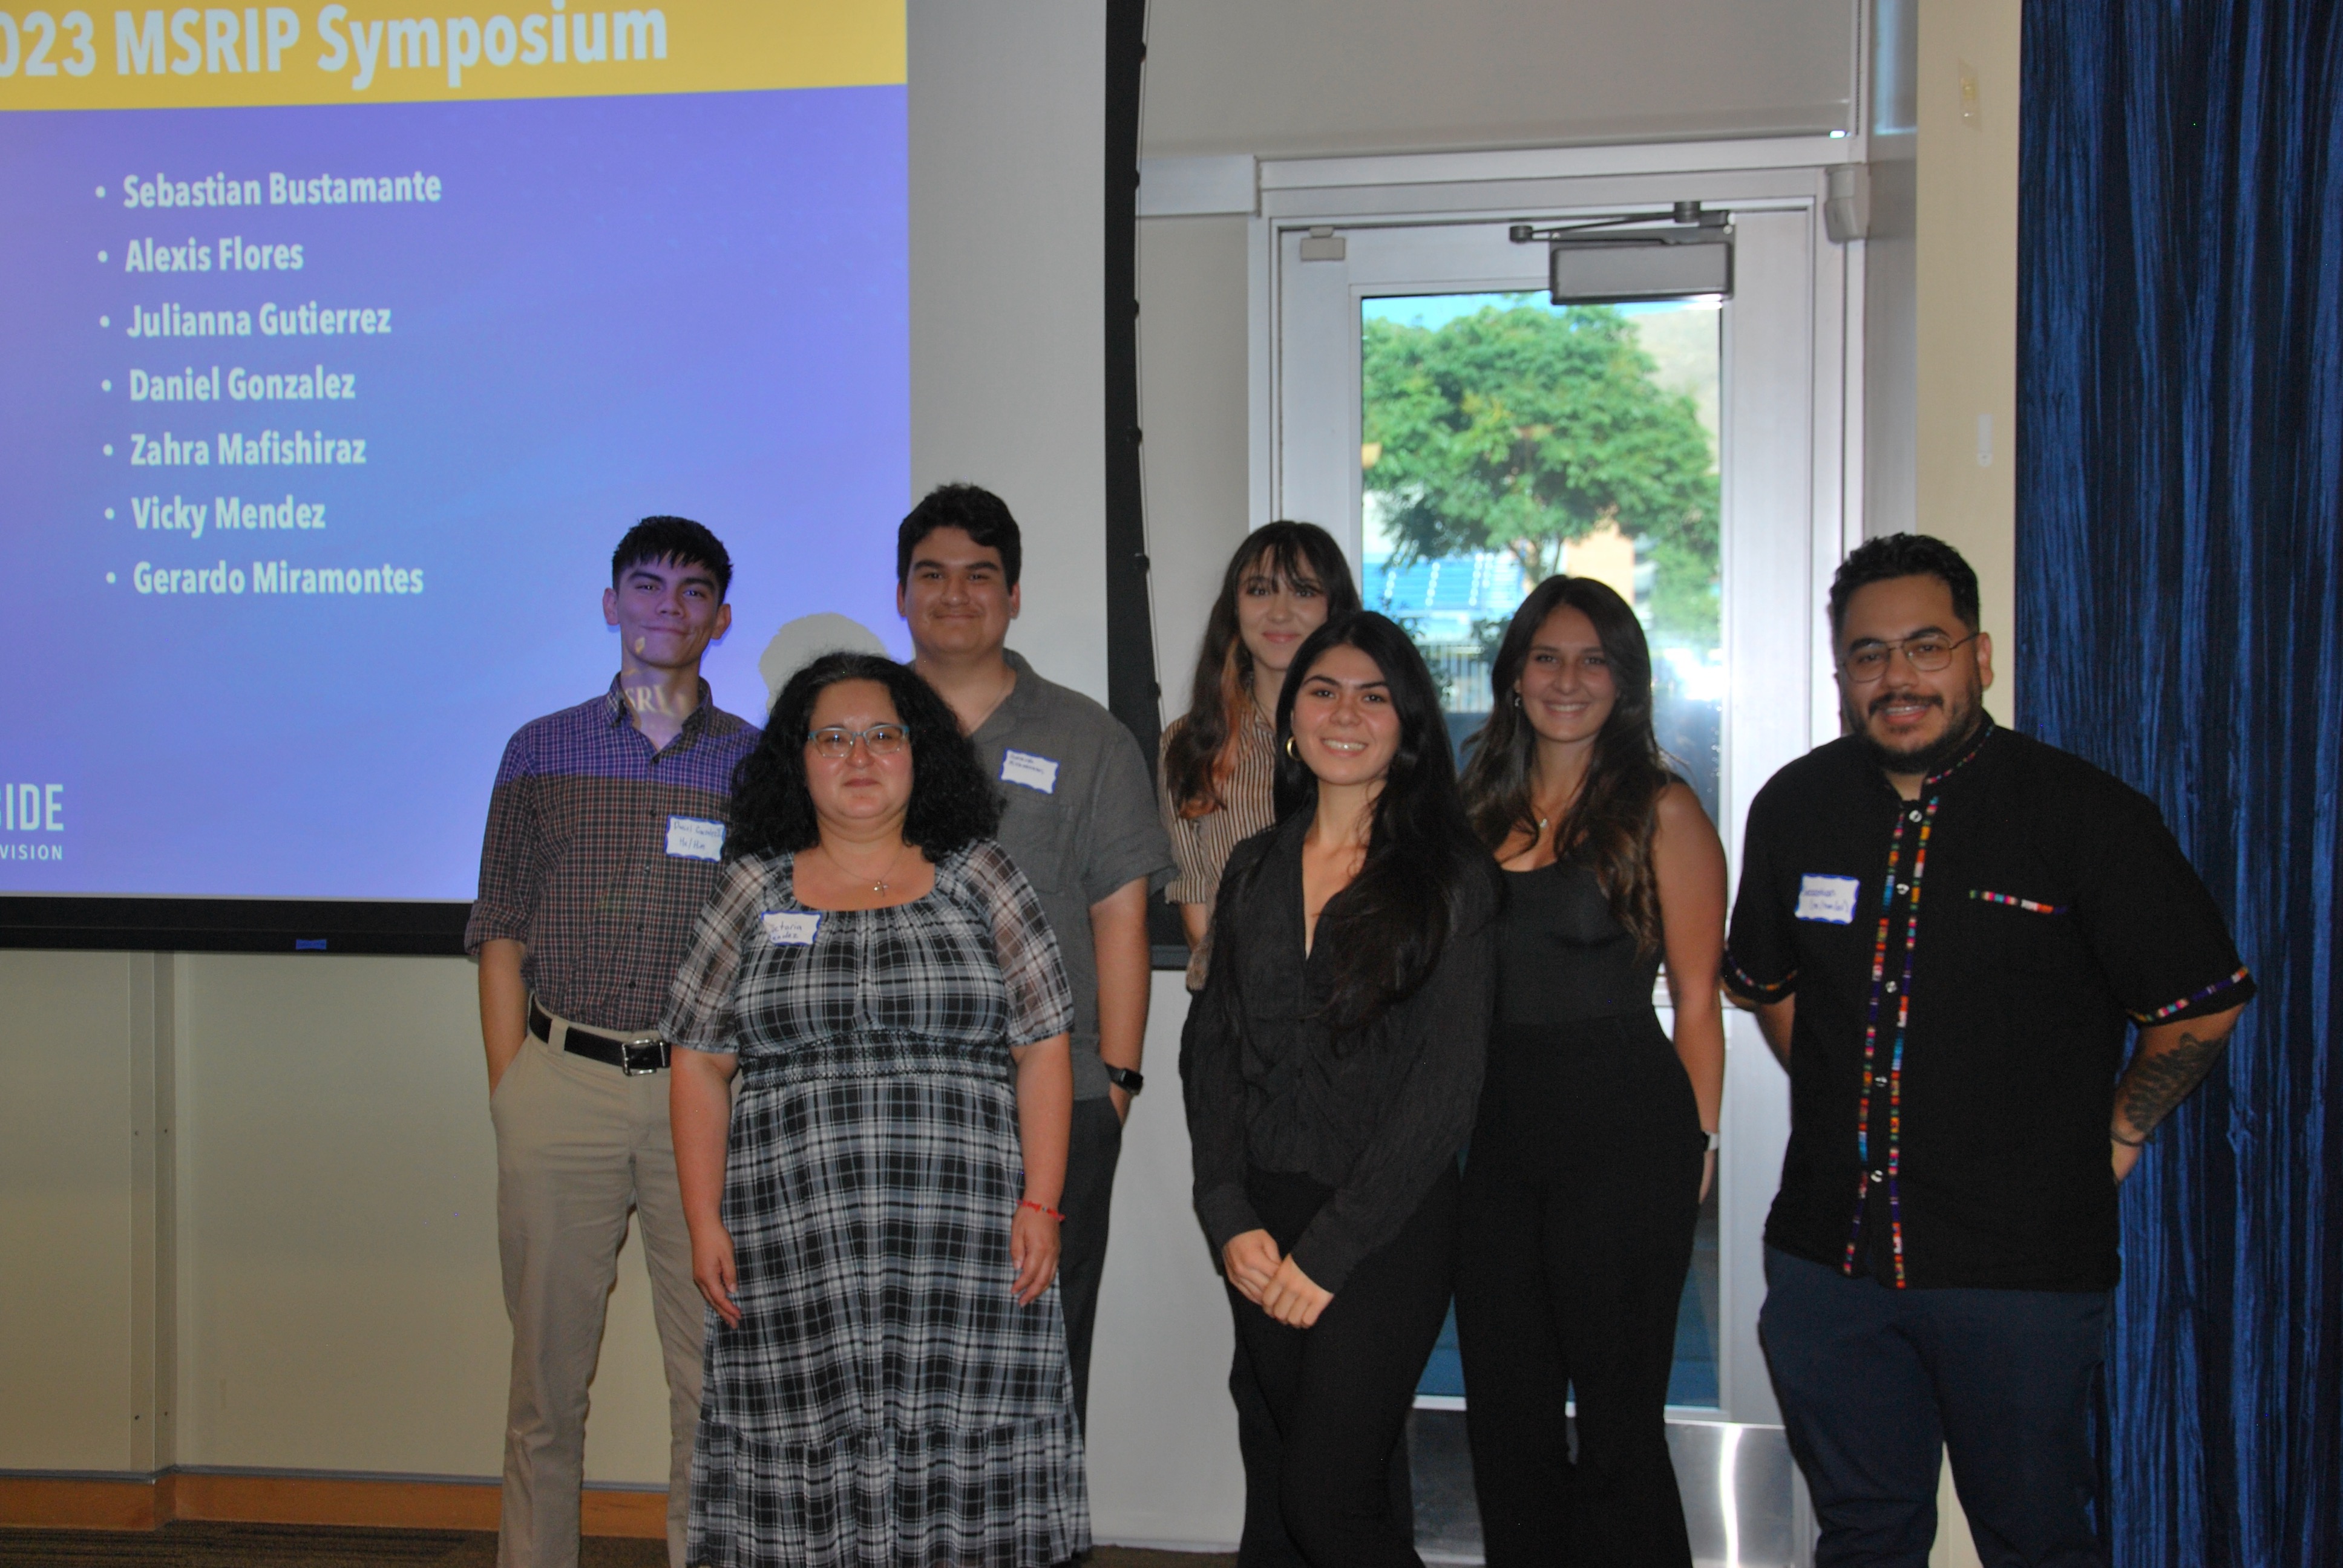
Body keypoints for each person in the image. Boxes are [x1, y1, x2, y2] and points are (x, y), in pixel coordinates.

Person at [1726, 534, 2254, 1567]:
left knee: (2034, 1539)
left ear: (1981, 656)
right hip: (1829, 1266)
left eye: (1926, 646)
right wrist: (1851, 1092)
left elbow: (2199, 1004)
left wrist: (2120, 1133)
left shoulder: (2084, 815)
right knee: (1863, 1534)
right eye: (1869, 654)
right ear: (1842, 675)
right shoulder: (1794, 806)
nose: (1898, 677)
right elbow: (1773, 989)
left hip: (2020, 1280)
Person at [663, 652, 1089, 1567]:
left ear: (919, 752)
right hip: (792, 1243)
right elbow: (697, 1059)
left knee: (965, 1458)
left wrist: (1042, 1202)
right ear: (798, 760)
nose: (859, 757)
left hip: (968, 1242)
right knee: (800, 1454)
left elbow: (1044, 1043)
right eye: (833, 738)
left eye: (883, 735)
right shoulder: (751, 888)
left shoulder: (983, 875)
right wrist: (702, 1220)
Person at [465, 516, 761, 1568]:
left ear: (721, 618)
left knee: (711, 1384)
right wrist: (514, 1089)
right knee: (545, 1390)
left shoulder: (756, 764)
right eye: (647, 585)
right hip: (562, 1083)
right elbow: (500, 925)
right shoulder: (538, 749)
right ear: (610, 603)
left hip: (698, 1097)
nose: (668, 608)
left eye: (693, 592)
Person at [1187, 610, 1498, 1568]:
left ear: (1409, 727)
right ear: (1291, 719)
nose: (1346, 714)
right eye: (1323, 692)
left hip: (1385, 1232)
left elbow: (1446, 1092)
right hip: (1260, 1221)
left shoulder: (1452, 878)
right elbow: (1213, 1050)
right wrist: (1227, 1209)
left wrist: (1326, 1254)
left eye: (1374, 696)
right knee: (1291, 1480)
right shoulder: (1254, 866)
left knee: (1325, 1501)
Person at [1450, 575, 1727, 1566]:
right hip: (1493, 1145)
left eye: (1592, 660)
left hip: (1625, 1138)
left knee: (1617, 1419)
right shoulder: (1471, 806)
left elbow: (1699, 998)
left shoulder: (1662, 809)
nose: (1567, 680)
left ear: (1624, 680)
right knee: (1506, 1415)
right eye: (1546, 658)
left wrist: (1700, 1144)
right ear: (1514, 675)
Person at [895, 482, 1175, 1429]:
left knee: (1041, 1369)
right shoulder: (856, 731)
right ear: (901, 594)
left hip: (1057, 1101)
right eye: (933, 574)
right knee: (904, 1363)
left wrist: (1118, 1083)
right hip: (892, 1103)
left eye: (980, 575)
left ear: (1014, 595)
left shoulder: (1087, 739)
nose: (956, 594)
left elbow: (1120, 920)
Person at [1160, 520, 1360, 992]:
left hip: (1356, 1002)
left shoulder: (1366, 737)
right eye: (1260, 590)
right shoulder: (1190, 743)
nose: (1280, 612)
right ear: (1234, 607)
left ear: (1334, 608)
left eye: (1303, 591)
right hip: (1239, 1008)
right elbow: (1196, 900)